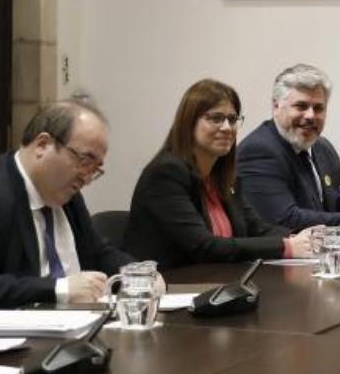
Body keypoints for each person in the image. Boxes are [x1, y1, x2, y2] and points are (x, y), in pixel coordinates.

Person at [0, 99, 150, 313]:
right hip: (19, 339)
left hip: (78, 328)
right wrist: (58, 289)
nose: (88, 178)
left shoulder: (66, 195)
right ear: (42, 145)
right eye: (84, 161)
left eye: (95, 169)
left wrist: (139, 276)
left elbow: (98, 252)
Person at [124, 79, 313, 269]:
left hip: (217, 283)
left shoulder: (223, 176)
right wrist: (286, 246)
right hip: (170, 287)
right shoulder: (166, 173)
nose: (227, 127)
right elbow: (204, 246)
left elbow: (256, 228)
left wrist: (301, 238)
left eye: (232, 119)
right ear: (189, 122)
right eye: (216, 118)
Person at [238, 64, 340, 232]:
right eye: (301, 106)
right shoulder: (258, 151)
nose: (310, 116)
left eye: (318, 108)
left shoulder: (323, 148)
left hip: (327, 253)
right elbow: (286, 218)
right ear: (276, 107)